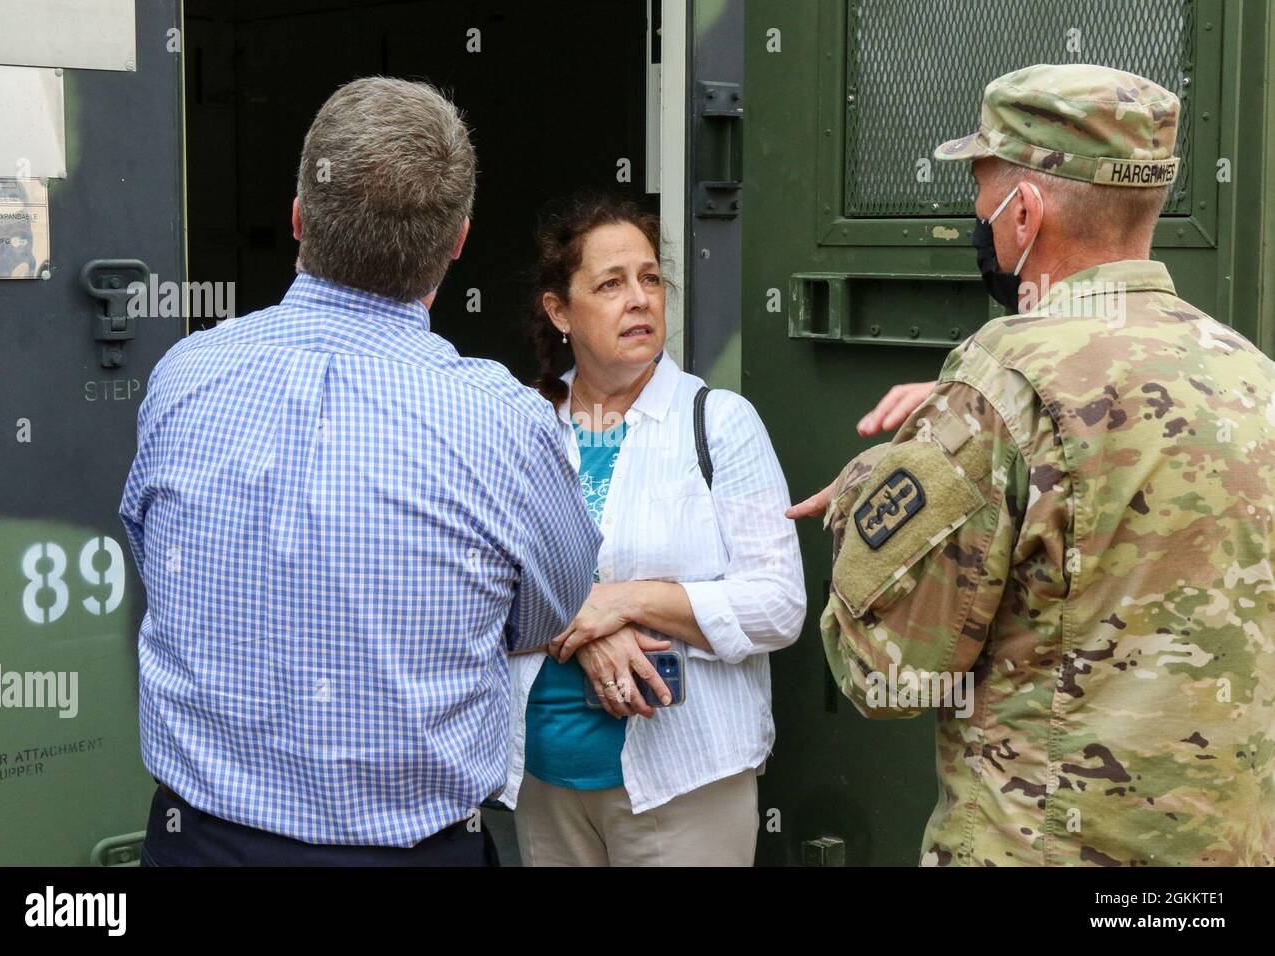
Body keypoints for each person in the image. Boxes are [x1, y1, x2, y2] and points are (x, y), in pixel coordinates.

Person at [789, 64, 1275, 866]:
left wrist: (866, 496)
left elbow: (887, 678)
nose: (976, 217)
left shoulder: (1003, 381)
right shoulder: (1251, 373)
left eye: (980, 193)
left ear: (1025, 211)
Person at [119, 78, 600, 866]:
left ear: (301, 217)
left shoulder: (184, 375)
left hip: (200, 846)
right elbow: (549, 614)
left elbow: (156, 565)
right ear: (457, 241)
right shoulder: (508, 423)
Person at [500, 192, 807, 866]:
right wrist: (583, 628)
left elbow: (779, 605)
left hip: (685, 784)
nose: (639, 299)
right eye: (610, 284)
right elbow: (481, 587)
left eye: (649, 278)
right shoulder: (522, 425)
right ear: (559, 311)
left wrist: (628, 601)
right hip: (544, 779)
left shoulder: (720, 422)